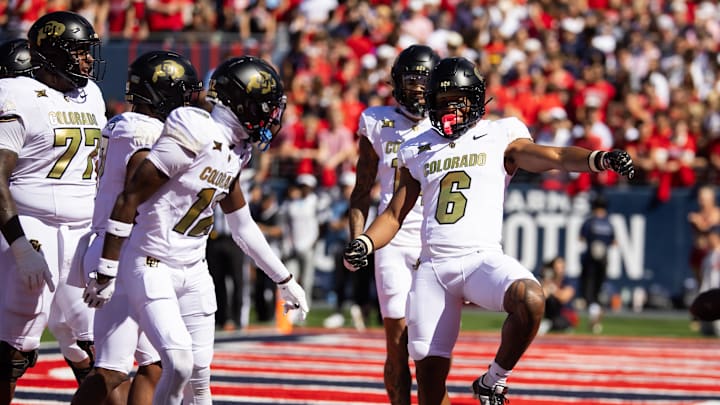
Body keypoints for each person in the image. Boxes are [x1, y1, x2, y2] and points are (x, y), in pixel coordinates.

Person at [343, 56, 635, 405]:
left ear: (477, 99)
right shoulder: (416, 147)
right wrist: (364, 240)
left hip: (481, 259)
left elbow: (554, 155)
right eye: (442, 101)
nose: (450, 109)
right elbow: (394, 214)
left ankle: (492, 380)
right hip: (434, 270)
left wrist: (597, 159)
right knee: (430, 387)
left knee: (530, 297)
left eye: (458, 100)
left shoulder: (499, 134)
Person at [81, 56, 309, 405]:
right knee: (170, 363)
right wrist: (107, 269)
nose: (271, 117)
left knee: (194, 375)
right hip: (149, 259)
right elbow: (130, 198)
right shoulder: (190, 129)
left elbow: (243, 226)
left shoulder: (236, 150)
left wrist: (284, 279)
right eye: (264, 106)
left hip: (193, 266)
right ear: (239, 102)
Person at [71, 50, 203, 405]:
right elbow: (136, 194)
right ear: (163, 92)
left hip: (127, 247)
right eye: (182, 91)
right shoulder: (143, 130)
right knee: (112, 370)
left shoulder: (123, 123)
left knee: (154, 364)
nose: (187, 100)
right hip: (122, 249)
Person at [0, 11, 107, 404]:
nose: (88, 59)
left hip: (82, 228)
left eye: (87, 50)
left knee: (96, 347)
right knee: (12, 350)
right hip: (32, 224)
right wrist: (20, 245)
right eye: (78, 51)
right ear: (49, 54)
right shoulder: (15, 93)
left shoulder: (91, 94)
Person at [345, 44, 439, 405]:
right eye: (410, 80)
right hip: (391, 240)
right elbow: (362, 189)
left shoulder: (449, 124)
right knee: (397, 340)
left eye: (423, 81)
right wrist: (358, 239)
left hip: (434, 240)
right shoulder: (376, 121)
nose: (417, 88)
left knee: (429, 347)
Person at [579, 194, 616, 334]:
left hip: (590, 259)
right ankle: (597, 312)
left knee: (588, 288)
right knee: (599, 287)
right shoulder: (609, 223)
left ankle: (594, 313)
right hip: (604, 259)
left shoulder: (590, 222)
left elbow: (581, 238)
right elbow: (614, 242)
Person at [538, 256, 577, 335]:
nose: (559, 270)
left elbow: (564, 298)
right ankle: (549, 324)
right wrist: (546, 285)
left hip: (565, 315)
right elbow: (541, 297)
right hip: (551, 315)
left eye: (562, 267)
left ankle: (551, 325)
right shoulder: (547, 280)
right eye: (557, 267)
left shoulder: (568, 281)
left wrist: (553, 289)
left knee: (560, 321)